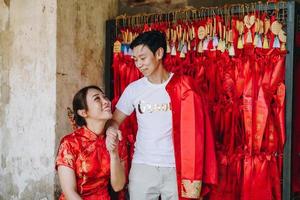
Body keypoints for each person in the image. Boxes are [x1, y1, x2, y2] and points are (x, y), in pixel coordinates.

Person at [107, 30, 218, 200]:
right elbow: (114, 120)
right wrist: (112, 130)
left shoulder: (185, 88)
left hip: (177, 167)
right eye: (135, 60)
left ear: (159, 53)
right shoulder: (134, 89)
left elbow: (199, 132)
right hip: (143, 166)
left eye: (143, 58)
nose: (139, 64)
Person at [56, 85, 126, 200]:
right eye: (97, 99)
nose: (106, 102)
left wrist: (114, 153)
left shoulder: (116, 139)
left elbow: (118, 187)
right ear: (83, 112)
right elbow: (69, 192)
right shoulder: (70, 143)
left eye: (105, 97)